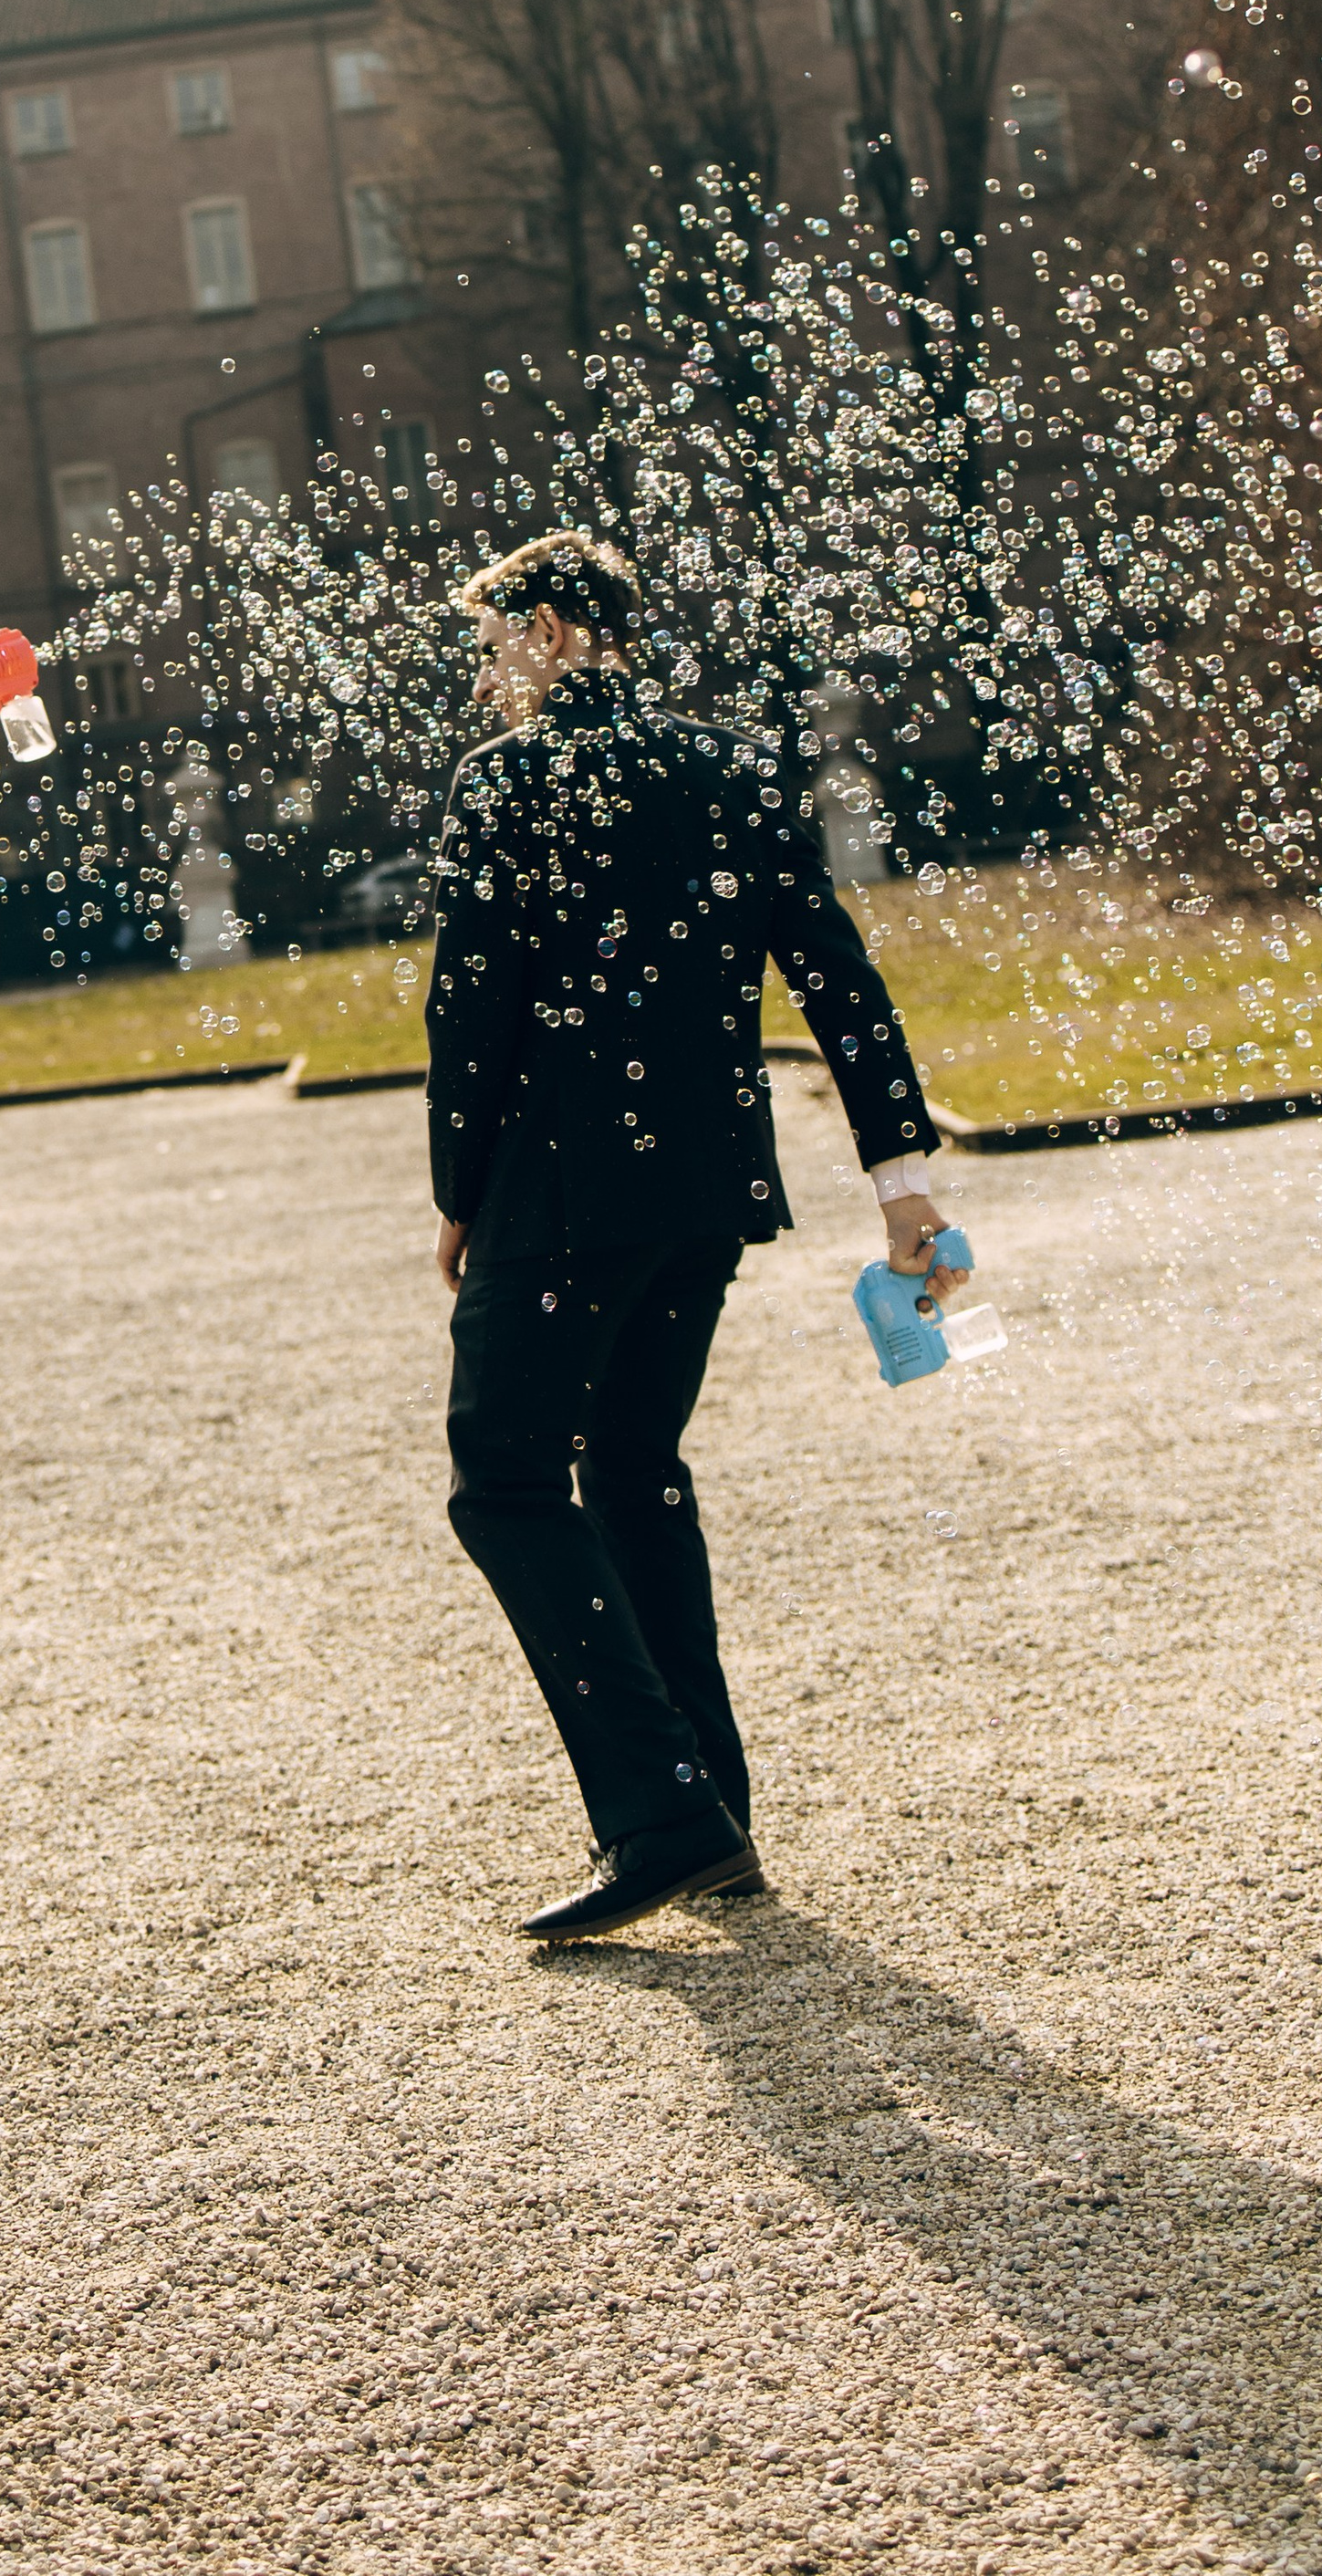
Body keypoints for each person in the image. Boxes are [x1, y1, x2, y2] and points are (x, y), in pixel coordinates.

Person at [425, 532, 965, 1945]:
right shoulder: (727, 765)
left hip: (563, 1190)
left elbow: (471, 1011)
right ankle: (709, 1805)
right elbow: (839, 980)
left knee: (505, 1479)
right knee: (635, 1463)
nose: (493, 676)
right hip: (709, 1188)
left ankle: (662, 1813)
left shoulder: (509, 781)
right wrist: (901, 1179)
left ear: (542, 627)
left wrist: (460, 1190)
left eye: (497, 643)